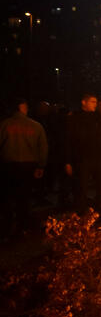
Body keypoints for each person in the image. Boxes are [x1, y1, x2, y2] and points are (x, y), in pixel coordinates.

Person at [0, 98, 48, 237]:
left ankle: (7, 226)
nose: (27, 109)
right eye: (26, 107)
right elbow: (43, 147)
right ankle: (23, 225)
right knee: (24, 197)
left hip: (8, 166)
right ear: (21, 107)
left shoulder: (3, 125)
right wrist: (41, 165)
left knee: (8, 197)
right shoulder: (36, 126)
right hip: (28, 165)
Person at [65, 93, 101, 212]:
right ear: (84, 102)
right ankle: (81, 211)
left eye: (96, 102)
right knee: (81, 186)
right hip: (83, 158)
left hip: (99, 158)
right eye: (92, 102)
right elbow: (69, 140)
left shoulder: (99, 118)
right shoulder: (74, 119)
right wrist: (68, 161)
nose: (95, 104)